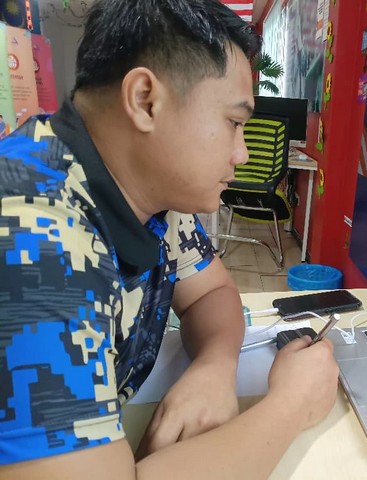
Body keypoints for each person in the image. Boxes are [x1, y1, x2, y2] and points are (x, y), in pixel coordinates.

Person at [0, 1, 339, 478]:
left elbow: (211, 292)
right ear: (145, 100)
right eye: (234, 123)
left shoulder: (152, 196)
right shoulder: (33, 236)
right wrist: (292, 406)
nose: (242, 153)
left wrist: (214, 366)